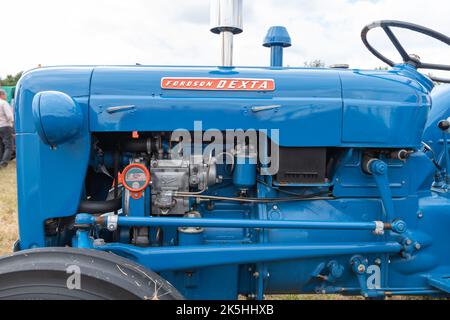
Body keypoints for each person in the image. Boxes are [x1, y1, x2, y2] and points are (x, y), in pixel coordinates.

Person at [0, 89, 14, 168]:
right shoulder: (4, 103)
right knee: (9, 146)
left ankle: (1, 161)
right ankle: (3, 163)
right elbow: (9, 116)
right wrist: (12, 124)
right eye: (5, 95)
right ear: (2, 95)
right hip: (5, 126)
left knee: (1, 146)